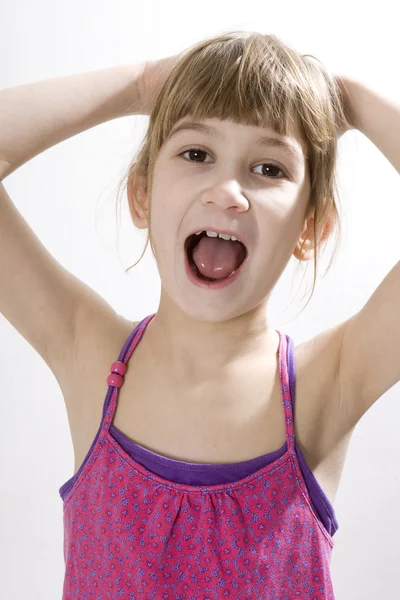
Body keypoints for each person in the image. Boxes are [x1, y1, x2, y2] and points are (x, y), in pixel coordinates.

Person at [3, 29, 391, 598]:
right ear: (142, 194)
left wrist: (350, 99)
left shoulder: (326, 384)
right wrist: (139, 86)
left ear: (311, 227)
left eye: (269, 169)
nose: (227, 189)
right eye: (196, 153)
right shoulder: (87, 351)